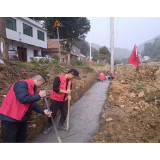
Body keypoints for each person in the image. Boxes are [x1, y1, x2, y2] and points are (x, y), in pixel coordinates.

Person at [0, 74, 52, 143]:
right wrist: (39, 96)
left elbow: (31, 104)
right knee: (10, 140)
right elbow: (23, 99)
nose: (41, 86)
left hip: (21, 118)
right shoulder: (21, 84)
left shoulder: (32, 89)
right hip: (10, 118)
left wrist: (43, 110)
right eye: (42, 84)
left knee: (22, 138)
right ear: (37, 80)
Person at [43, 69, 79, 135]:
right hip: (55, 99)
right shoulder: (58, 78)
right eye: (73, 77)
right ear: (70, 74)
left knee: (65, 113)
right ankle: (49, 127)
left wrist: (69, 95)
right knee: (52, 114)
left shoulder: (70, 81)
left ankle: (60, 125)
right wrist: (66, 92)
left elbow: (69, 90)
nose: (73, 78)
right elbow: (55, 89)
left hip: (64, 100)